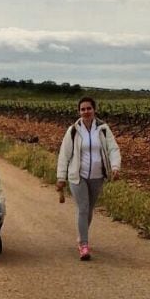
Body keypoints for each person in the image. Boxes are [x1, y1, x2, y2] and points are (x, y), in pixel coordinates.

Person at [55, 97, 121, 261]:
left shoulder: (103, 129)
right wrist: (61, 177)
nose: (86, 112)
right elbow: (64, 155)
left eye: (88, 108)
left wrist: (115, 167)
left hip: (97, 176)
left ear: (94, 110)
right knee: (83, 208)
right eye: (83, 109)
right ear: (79, 112)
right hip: (78, 176)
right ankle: (84, 245)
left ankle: (81, 235)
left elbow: (113, 149)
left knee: (89, 209)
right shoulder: (73, 131)